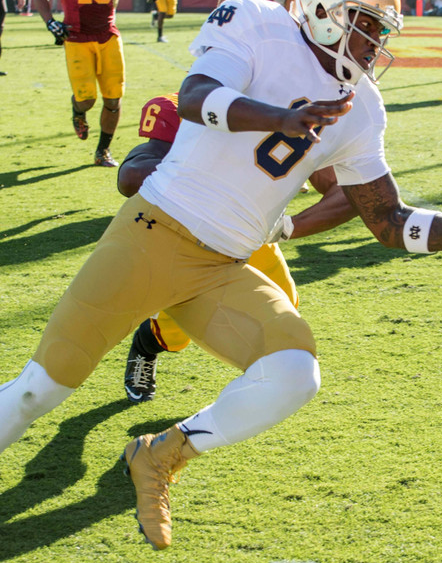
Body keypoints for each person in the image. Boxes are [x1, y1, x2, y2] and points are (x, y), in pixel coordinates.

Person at [0, 0, 442, 563]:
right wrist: (281, 116)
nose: (374, 46)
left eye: (381, 32)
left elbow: (388, 221)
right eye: (367, 27)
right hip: (155, 230)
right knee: (45, 385)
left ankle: (162, 454)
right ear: (321, 13)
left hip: (224, 264)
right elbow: (198, 93)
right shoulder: (255, 22)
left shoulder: (362, 106)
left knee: (294, 374)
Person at [119, 93, 357, 403]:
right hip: (190, 236)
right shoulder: (179, 105)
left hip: (249, 232)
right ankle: (144, 348)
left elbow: (343, 189)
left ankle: (265, 379)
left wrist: (288, 226)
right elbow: (130, 177)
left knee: (283, 305)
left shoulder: (286, 108)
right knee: (174, 334)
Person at [31, 0, 159, 168]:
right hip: (76, 36)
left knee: (113, 98)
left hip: (107, 34)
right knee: (87, 98)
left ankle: (103, 150)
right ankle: (78, 111)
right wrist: (50, 22)